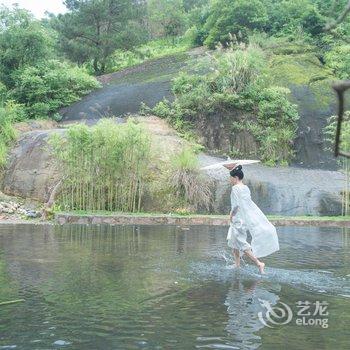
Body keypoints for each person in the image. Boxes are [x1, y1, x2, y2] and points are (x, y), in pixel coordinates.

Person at [227, 165, 279, 274]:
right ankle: (237, 264)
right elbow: (247, 203)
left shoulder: (235, 188)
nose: (230, 179)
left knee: (240, 243)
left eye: (231, 177)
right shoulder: (245, 188)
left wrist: (231, 215)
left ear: (235, 178)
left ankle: (259, 263)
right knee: (234, 241)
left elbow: (236, 206)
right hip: (244, 218)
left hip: (238, 219)